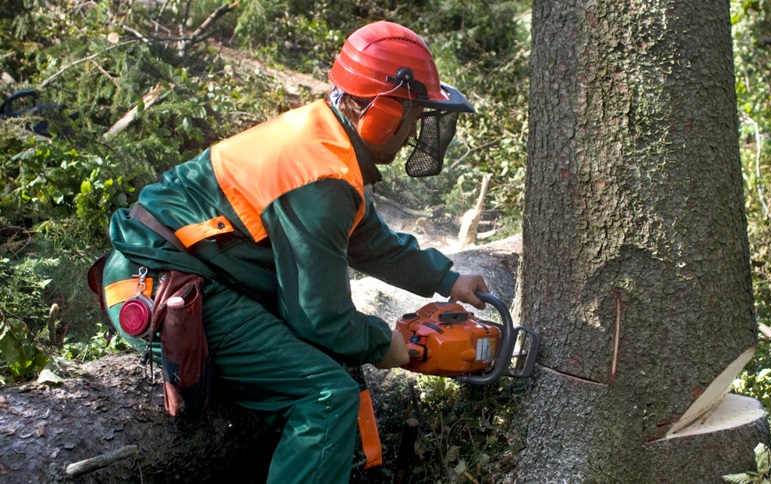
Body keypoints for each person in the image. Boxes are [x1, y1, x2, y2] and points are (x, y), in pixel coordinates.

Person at [96, 20, 489, 483]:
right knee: (325, 396)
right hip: (166, 287)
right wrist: (389, 345)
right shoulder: (321, 177)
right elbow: (319, 318)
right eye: (413, 117)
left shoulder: (325, 143)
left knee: (327, 368)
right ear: (383, 112)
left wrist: (448, 280)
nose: (412, 135)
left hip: (189, 272)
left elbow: (369, 241)